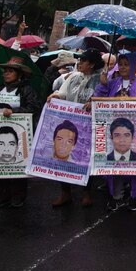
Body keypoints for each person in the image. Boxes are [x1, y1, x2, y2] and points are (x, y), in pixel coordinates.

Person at [94, 50, 136, 212]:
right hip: (114, 132)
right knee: (115, 164)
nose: (122, 67)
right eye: (120, 64)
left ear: (134, 65)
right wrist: (103, 84)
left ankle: (135, 196)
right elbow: (99, 101)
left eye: (126, 64)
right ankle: (117, 196)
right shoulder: (113, 82)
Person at [48, 48, 104, 208]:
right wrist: (56, 96)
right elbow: (63, 93)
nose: (79, 64)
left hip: (88, 126)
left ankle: (86, 193)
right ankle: (65, 192)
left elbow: (104, 99)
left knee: (85, 159)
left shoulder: (101, 80)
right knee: (63, 157)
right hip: (68, 124)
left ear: (92, 64)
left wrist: (95, 102)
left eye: (83, 61)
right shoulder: (73, 77)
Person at [0, 56, 42, 209]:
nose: (6, 74)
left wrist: (14, 111)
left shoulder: (26, 90)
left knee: (17, 164)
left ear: (19, 74)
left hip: (18, 135)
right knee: (1, 164)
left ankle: (18, 196)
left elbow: (34, 107)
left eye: (10, 71)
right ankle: (2, 196)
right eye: (5, 71)